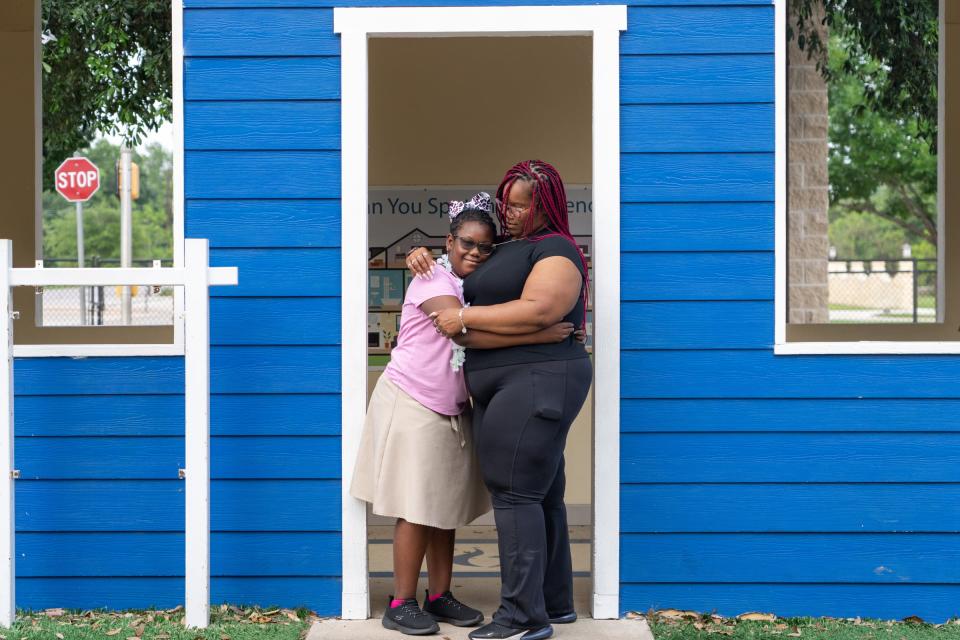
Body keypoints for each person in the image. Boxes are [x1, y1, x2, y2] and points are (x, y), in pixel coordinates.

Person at [350, 192, 580, 637]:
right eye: (466, 244)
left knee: (445, 506)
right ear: (449, 241)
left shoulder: (467, 286)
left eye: (484, 247)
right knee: (416, 506)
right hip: (415, 399)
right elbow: (460, 331)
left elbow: (484, 315)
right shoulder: (432, 279)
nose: (475, 252)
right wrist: (543, 333)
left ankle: (439, 595)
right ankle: (401, 601)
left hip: (453, 408)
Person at [406, 161, 592, 640]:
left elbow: (539, 310)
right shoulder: (510, 248)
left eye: (521, 203)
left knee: (514, 493)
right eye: (506, 200)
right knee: (540, 492)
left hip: (537, 381)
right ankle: (553, 603)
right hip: (511, 380)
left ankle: (522, 617)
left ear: (546, 204)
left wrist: (467, 317)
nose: (509, 211)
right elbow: (467, 323)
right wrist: (422, 257)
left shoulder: (556, 249)